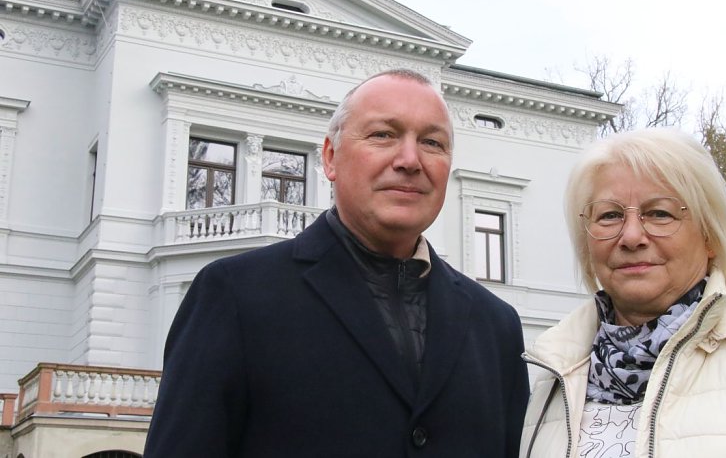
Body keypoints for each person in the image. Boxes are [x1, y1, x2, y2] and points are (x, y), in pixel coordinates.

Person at [143, 69, 529, 457]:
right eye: (383, 134)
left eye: (432, 142)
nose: (410, 159)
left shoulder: (497, 327)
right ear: (330, 157)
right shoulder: (235, 296)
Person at [520, 128, 726, 457]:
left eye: (659, 213)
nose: (631, 236)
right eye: (609, 215)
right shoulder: (552, 376)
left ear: (711, 235)